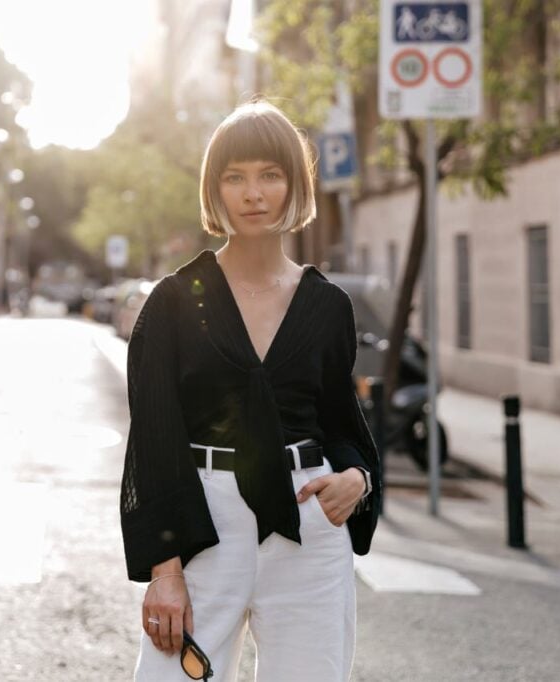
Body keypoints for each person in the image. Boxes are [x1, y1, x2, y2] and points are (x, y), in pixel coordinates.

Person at [121, 100, 381, 682]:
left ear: (295, 185)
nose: (252, 193)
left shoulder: (328, 307)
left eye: (270, 174)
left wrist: (357, 480)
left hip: (309, 528)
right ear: (214, 190)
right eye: (234, 177)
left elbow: (345, 426)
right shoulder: (173, 302)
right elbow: (154, 441)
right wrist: (165, 570)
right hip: (202, 523)